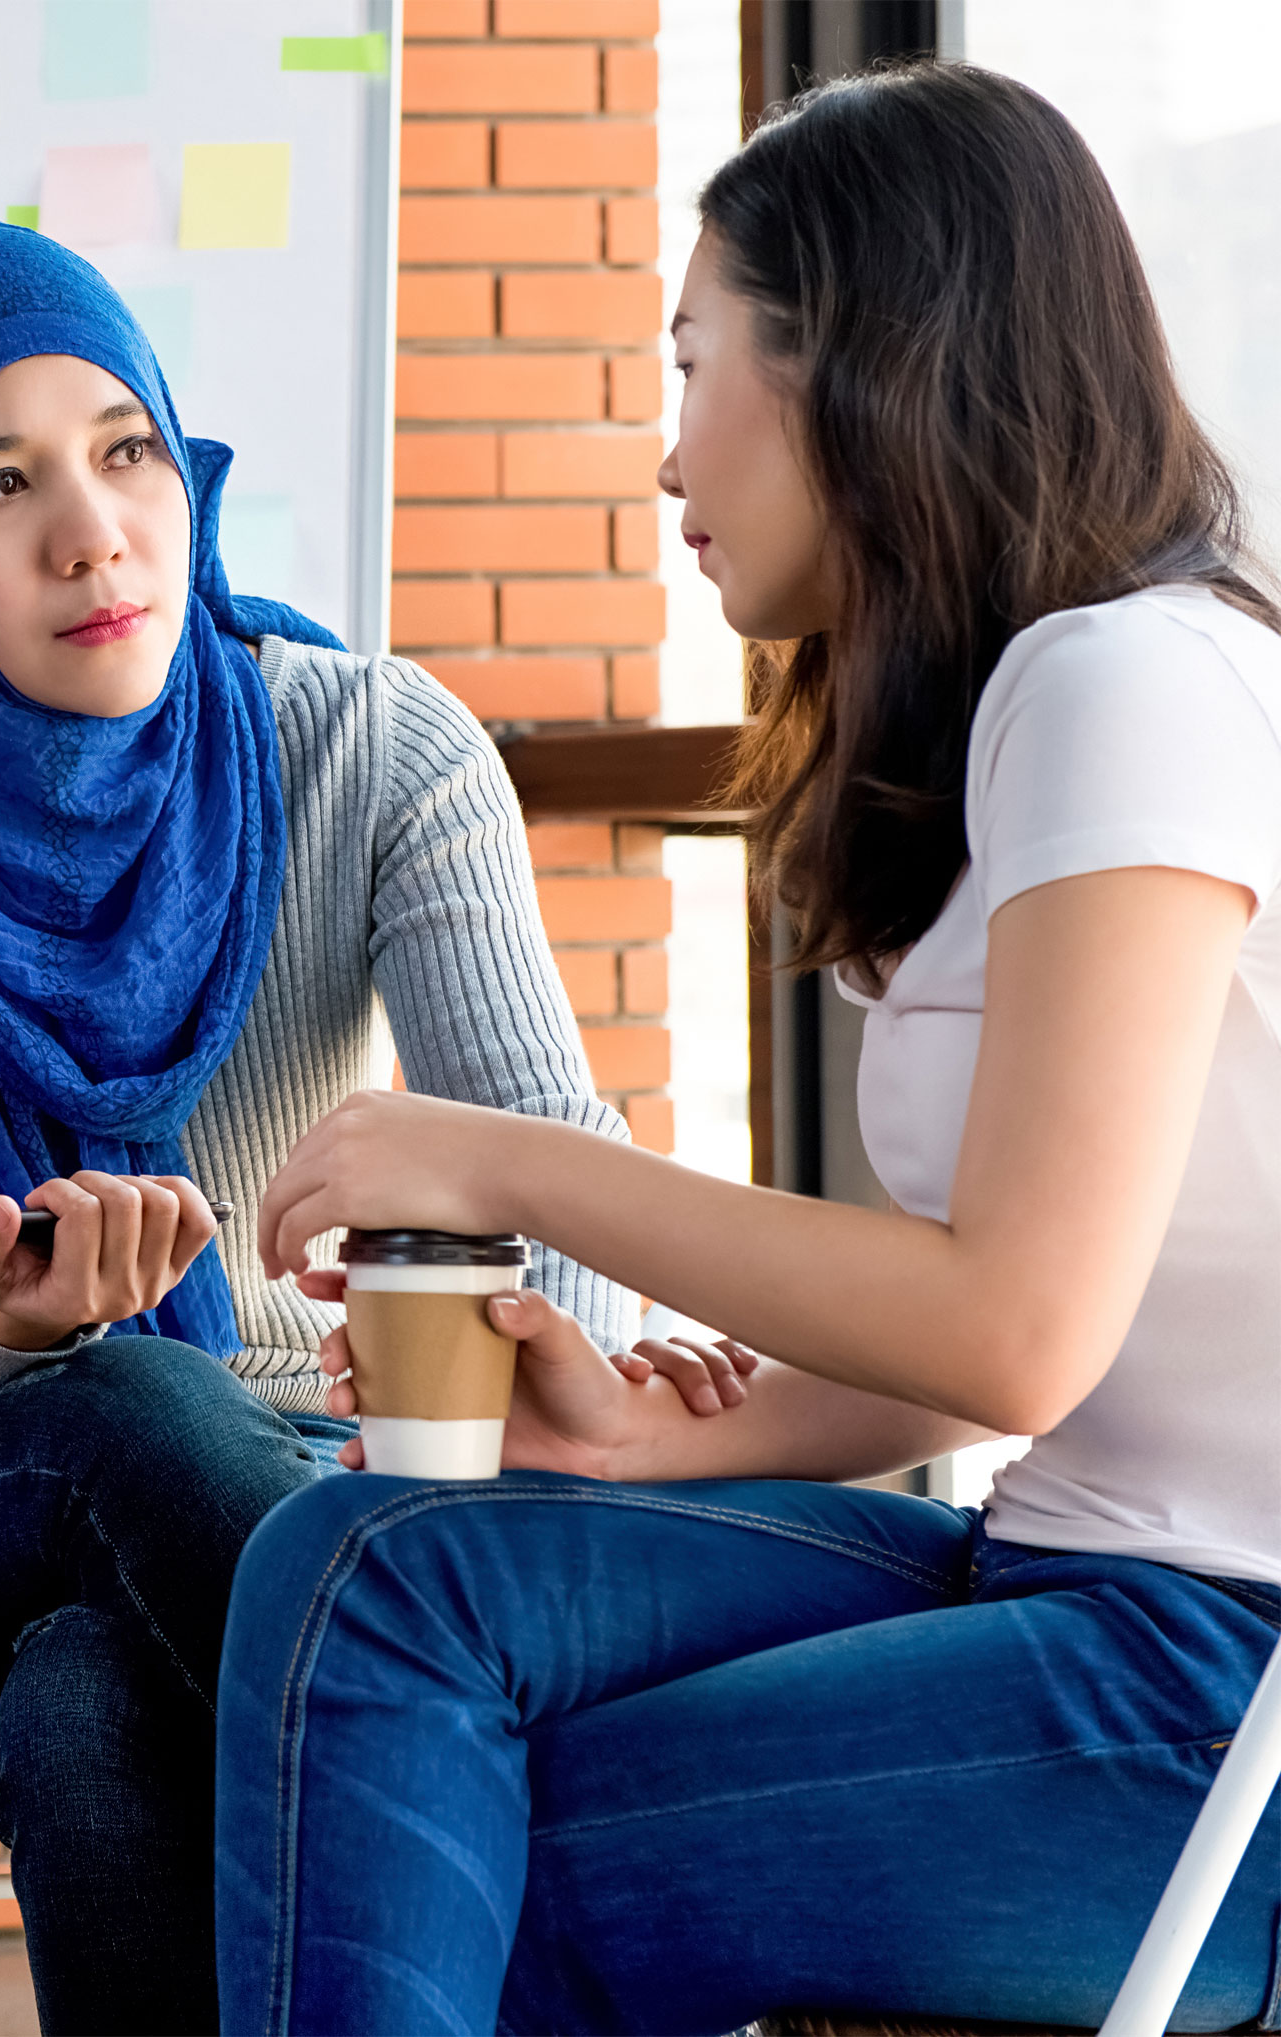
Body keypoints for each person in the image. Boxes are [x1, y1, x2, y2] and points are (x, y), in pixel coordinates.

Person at [214, 63, 1281, 2034]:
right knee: (368, 1561)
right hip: (1057, 1567)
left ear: (862, 369)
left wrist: (493, 1157)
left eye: (695, 363)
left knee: (481, 1842)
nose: (663, 453)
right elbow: (1007, 1347)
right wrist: (644, 1420)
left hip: (1214, 1698)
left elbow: (1009, 1331)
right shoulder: (1019, 715)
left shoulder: (1133, 681)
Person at [0, 219, 634, 2037]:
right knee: (128, 1397)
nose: (93, 530)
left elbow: (554, 1166)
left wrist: (541, 1420)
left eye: (125, 449)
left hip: (322, 1482)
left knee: (94, 1692)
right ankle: (545, 1888)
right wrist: (16, 1324)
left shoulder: (368, 754)